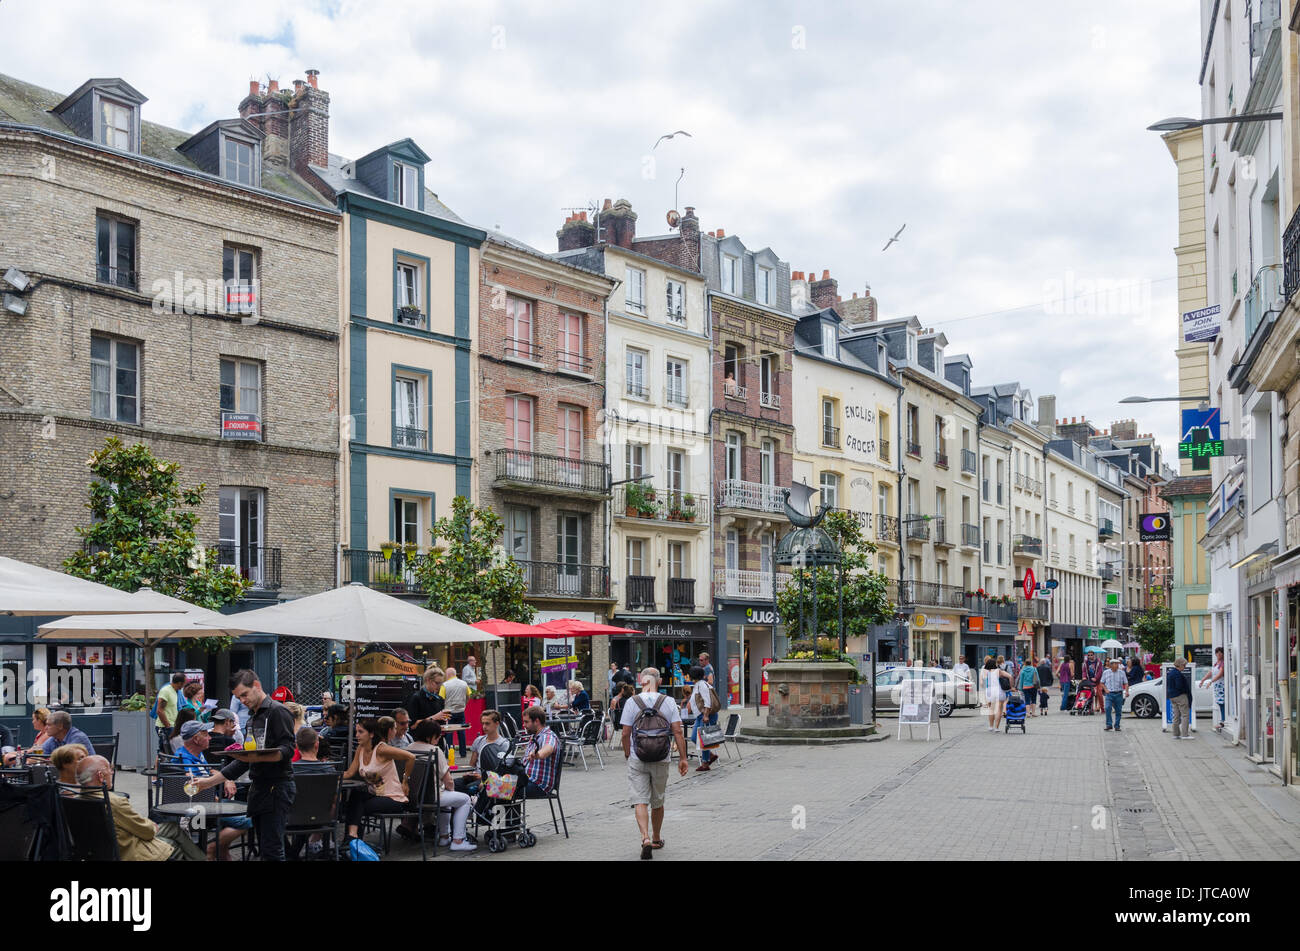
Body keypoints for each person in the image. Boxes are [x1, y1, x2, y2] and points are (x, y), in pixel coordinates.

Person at [192, 668, 298, 861]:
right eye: (238, 697)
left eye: (244, 695)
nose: (242, 701)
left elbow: (287, 749)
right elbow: (243, 761)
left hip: (277, 788)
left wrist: (257, 758)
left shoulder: (277, 711)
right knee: (267, 849)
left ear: (256, 686)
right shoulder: (253, 718)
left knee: (273, 850)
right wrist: (208, 782)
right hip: (259, 789)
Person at [77, 756, 203, 861]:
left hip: (100, 850)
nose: (112, 772)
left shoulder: (76, 799)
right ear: (100, 776)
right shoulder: (114, 802)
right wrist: (151, 826)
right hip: (129, 850)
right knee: (174, 844)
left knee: (172, 828)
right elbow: (146, 832)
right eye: (110, 769)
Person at [620, 666, 688, 860]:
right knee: (657, 800)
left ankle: (645, 838)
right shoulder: (668, 702)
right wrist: (683, 758)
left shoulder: (632, 702)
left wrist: (627, 753)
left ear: (641, 681)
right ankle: (657, 838)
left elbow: (625, 733)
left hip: (637, 757)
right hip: (661, 757)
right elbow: (678, 732)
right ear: (658, 682)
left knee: (639, 800)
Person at [174, 720, 250, 861]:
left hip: (208, 804)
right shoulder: (185, 761)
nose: (210, 737)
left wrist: (227, 779)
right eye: (206, 735)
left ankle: (221, 851)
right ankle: (213, 848)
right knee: (248, 819)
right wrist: (216, 801)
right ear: (196, 739)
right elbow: (193, 788)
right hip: (198, 810)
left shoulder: (195, 754)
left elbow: (209, 770)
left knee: (245, 813)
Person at [343, 716, 417, 842]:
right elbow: (349, 773)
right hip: (377, 795)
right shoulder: (360, 749)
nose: (357, 735)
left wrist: (405, 781)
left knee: (356, 807)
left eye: (361, 732)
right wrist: (331, 776)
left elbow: (411, 757)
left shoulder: (381, 749)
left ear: (371, 734)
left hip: (393, 798)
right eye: (356, 732)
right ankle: (352, 838)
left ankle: (352, 841)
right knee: (356, 795)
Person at [685, 665, 718, 771]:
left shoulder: (702, 685)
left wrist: (706, 715)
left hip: (706, 716)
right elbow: (693, 702)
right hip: (700, 716)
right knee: (695, 737)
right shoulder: (697, 685)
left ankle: (705, 763)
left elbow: (707, 701)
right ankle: (710, 756)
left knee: (703, 739)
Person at [154, 673, 186, 752]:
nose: (183, 686)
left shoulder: (175, 691)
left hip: (171, 725)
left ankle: (158, 764)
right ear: (179, 683)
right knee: (167, 751)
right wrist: (168, 726)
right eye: (183, 684)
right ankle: (161, 764)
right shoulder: (166, 691)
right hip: (165, 726)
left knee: (165, 751)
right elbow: (159, 710)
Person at [442, 667, 469, 758]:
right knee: (461, 732)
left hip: (448, 712)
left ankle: (449, 753)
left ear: (448, 674)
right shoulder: (464, 684)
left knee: (449, 732)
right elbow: (468, 695)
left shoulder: (445, 685)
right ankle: (463, 753)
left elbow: (441, 698)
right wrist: (464, 705)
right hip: (461, 711)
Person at [1100, 658, 1129, 732]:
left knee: (1118, 710)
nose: (1117, 665)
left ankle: (1117, 726)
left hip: (1118, 693)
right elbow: (1102, 683)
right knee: (1107, 708)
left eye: (1118, 664)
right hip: (1109, 694)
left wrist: (1127, 691)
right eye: (1115, 664)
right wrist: (1106, 690)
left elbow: (1125, 683)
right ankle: (1109, 724)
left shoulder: (1122, 672)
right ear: (1111, 665)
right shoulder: (1106, 672)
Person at [1200, 647, 1226, 732]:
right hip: (1217, 686)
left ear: (1222, 653)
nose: (1218, 654)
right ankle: (1222, 720)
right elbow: (1211, 672)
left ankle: (1223, 721)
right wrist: (1203, 679)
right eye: (1217, 653)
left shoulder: (1223, 663)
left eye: (1220, 653)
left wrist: (1211, 681)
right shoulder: (1216, 663)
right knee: (1219, 702)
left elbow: (1220, 674)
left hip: (1221, 686)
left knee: (1222, 703)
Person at [1168, 657, 1194, 740]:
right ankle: (1185, 735)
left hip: (1172, 696)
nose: (1185, 667)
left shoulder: (1171, 673)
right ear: (1180, 665)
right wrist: (1185, 692)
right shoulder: (1178, 674)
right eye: (1184, 665)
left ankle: (1175, 734)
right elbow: (1179, 686)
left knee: (1176, 716)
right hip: (1180, 696)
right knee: (1185, 715)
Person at [982, 658, 1005, 732]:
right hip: (997, 690)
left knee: (991, 709)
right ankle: (996, 728)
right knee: (998, 709)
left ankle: (991, 726)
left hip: (989, 691)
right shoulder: (998, 671)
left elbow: (983, 682)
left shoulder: (985, 672)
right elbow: (1009, 676)